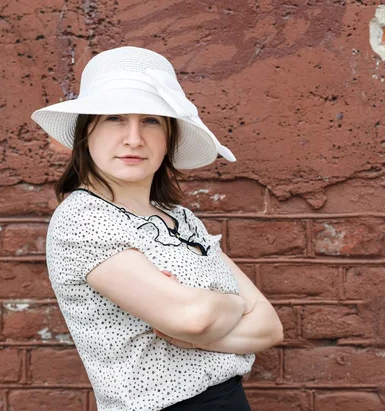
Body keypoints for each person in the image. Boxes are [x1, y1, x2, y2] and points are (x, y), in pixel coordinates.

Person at [31, 46, 284, 411]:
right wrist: (237, 304)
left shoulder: (179, 218)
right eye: (115, 118)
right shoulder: (82, 219)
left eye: (151, 121)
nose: (134, 138)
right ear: (86, 132)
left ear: (169, 138)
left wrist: (200, 326)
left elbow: (270, 328)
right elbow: (191, 317)